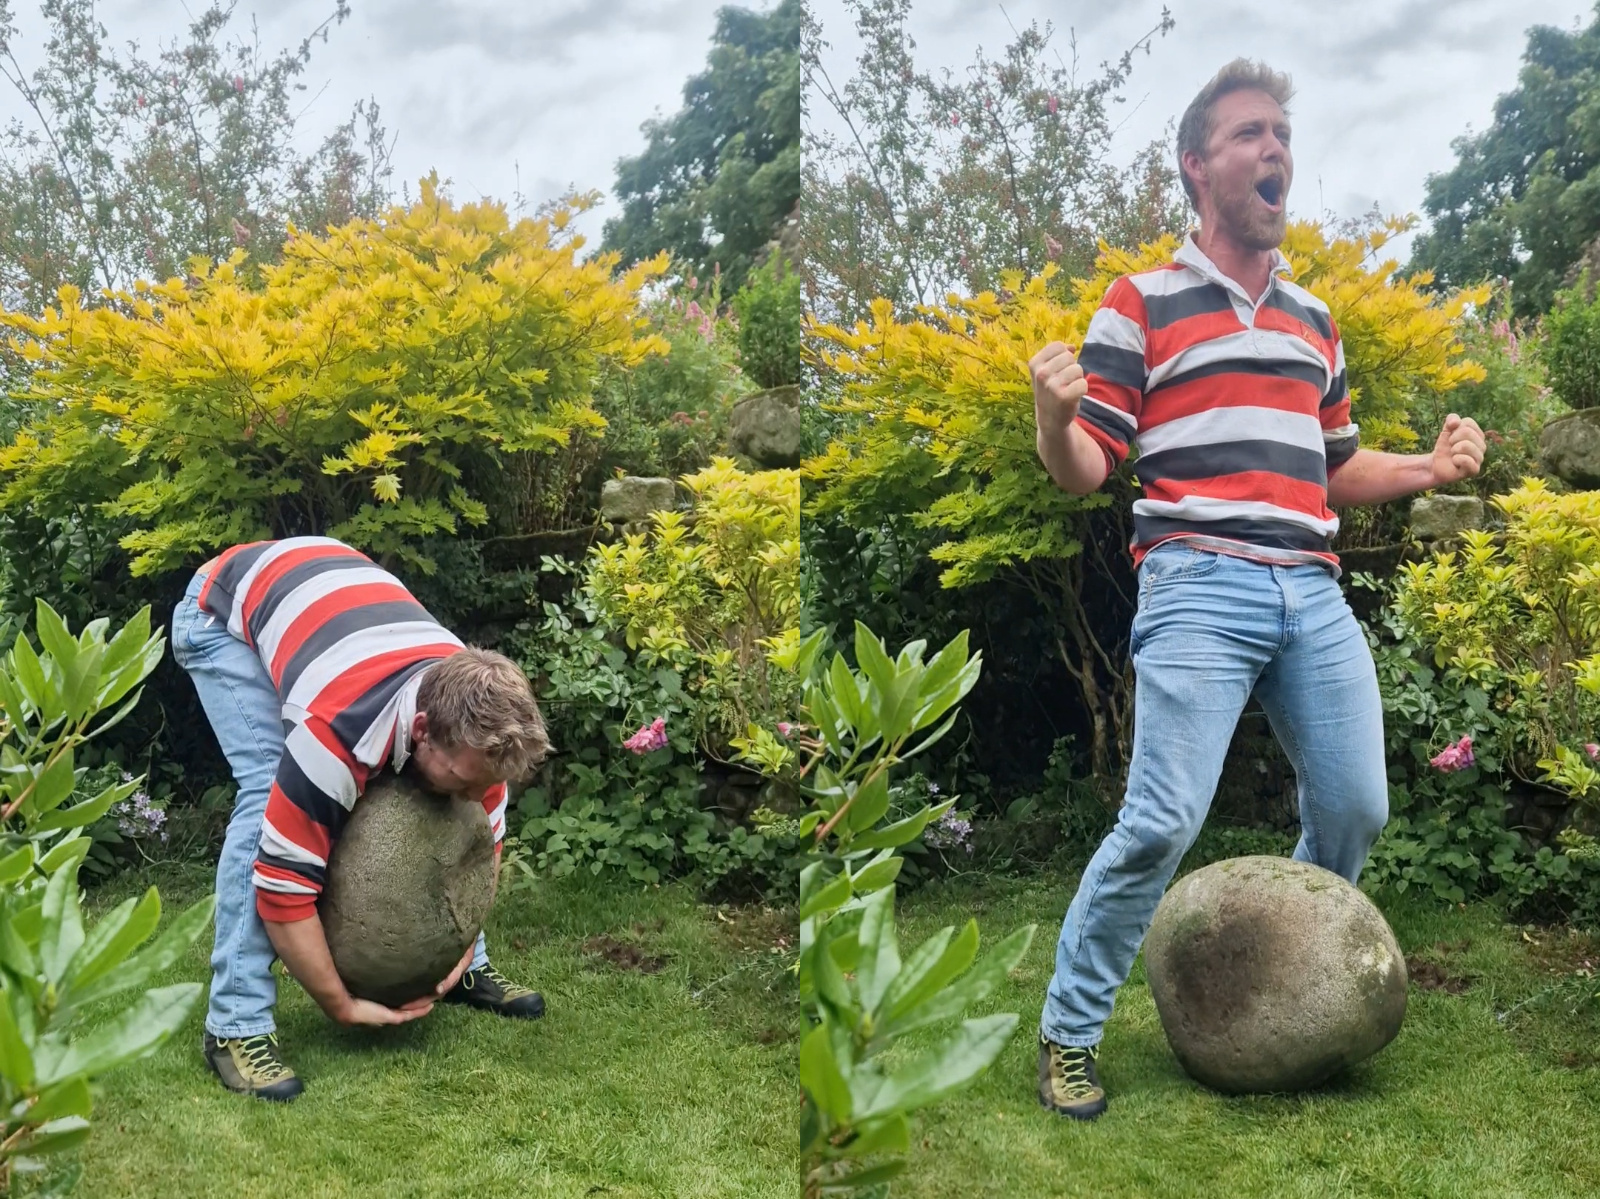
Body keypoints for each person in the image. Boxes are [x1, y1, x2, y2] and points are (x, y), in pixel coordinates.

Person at [1029, 59, 1485, 1120]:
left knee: (1355, 805)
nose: (1274, 148)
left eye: (1281, 132)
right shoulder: (1139, 301)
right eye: (1248, 133)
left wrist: (1426, 468)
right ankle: (1069, 1027)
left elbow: (1333, 468)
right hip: (1197, 581)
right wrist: (1053, 416)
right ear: (1197, 164)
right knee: (1159, 819)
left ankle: (1281, 973)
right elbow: (1089, 463)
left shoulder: (1313, 319)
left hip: (1310, 593)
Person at [173, 535, 553, 1102]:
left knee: (447, 793)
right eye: (470, 778)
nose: (481, 795)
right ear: (421, 731)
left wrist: (456, 950)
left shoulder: (482, 734)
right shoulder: (336, 734)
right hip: (219, 610)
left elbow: (483, 851)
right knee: (267, 787)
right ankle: (235, 1024)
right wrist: (339, 1003)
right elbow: (283, 891)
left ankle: (471, 970)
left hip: (329, 592)